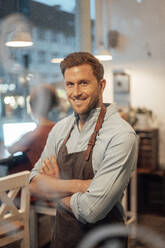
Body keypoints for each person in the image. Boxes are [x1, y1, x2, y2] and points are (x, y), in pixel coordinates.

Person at [29, 52, 138, 248]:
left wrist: (55, 187)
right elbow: (33, 184)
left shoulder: (121, 135)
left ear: (102, 85)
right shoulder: (60, 129)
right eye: (70, 84)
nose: (76, 92)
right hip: (63, 239)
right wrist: (80, 186)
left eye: (83, 83)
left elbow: (91, 210)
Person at [7, 84, 59, 174]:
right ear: (52, 106)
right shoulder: (60, 128)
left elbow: (11, 149)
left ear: (32, 108)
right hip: (58, 180)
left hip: (40, 182)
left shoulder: (33, 135)